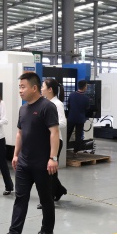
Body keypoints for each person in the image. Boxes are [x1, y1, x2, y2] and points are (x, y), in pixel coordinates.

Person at [0, 72, 59, 234]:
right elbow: (20, 133)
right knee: (20, 198)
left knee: (45, 198)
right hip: (24, 162)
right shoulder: (23, 109)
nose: (20, 90)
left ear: (34, 88)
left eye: (23, 87)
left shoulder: (47, 107)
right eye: (19, 87)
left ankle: (47, 230)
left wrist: (53, 158)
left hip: (43, 164)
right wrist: (15, 155)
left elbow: (54, 132)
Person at [36, 79, 68, 209]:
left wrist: (49, 124)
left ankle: (47, 199)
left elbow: (63, 123)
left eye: (43, 86)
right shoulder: (44, 102)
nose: (41, 89)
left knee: (48, 172)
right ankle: (59, 190)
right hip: (45, 141)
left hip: (55, 141)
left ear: (50, 89)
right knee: (49, 171)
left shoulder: (57, 104)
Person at [66, 80, 90, 155]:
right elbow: (87, 109)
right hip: (80, 119)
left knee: (67, 134)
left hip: (71, 118)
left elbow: (68, 105)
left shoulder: (72, 95)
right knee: (78, 135)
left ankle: (63, 149)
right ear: (84, 87)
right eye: (86, 86)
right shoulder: (86, 98)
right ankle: (75, 151)